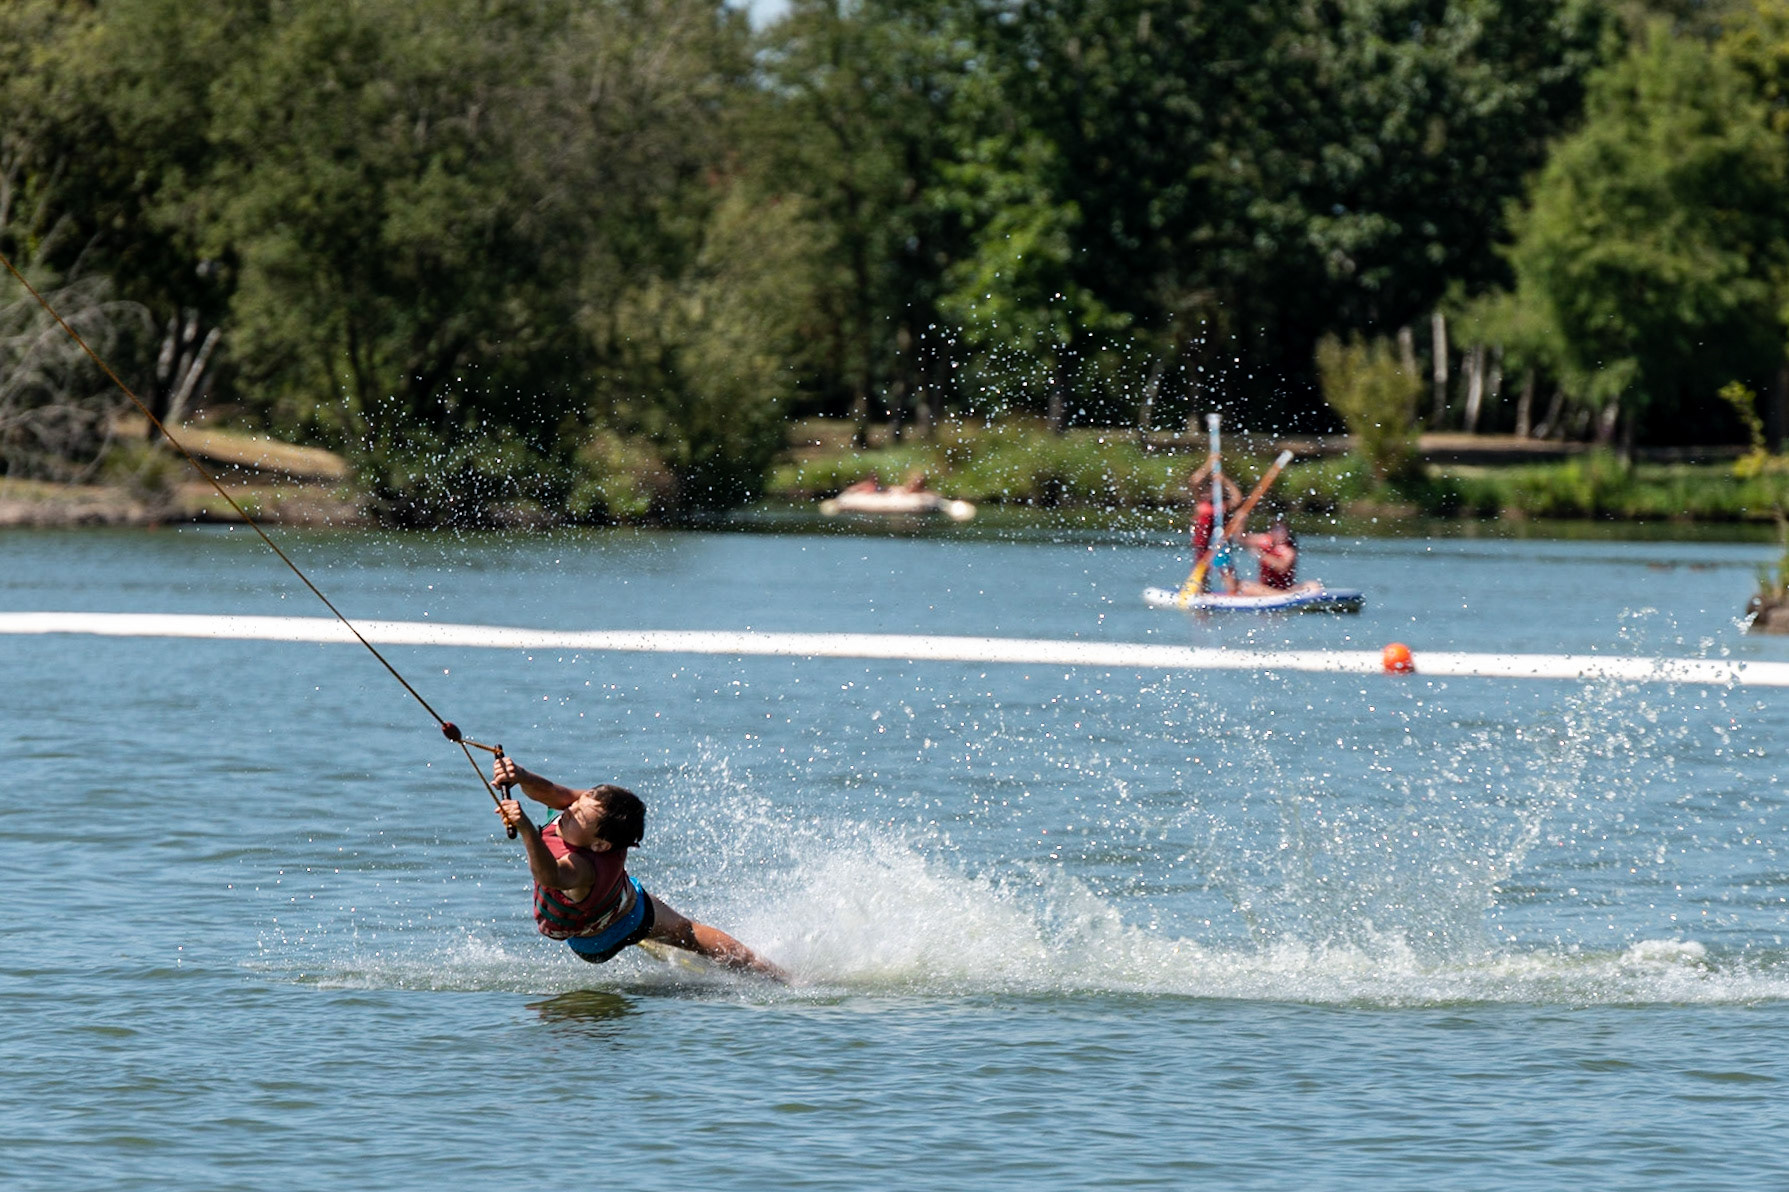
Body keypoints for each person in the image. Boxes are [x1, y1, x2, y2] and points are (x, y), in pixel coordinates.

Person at [492, 756, 788, 981]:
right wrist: (520, 775)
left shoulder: (581, 866)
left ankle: (774, 977)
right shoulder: (592, 819)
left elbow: (550, 876)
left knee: (687, 931)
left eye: (580, 814)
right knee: (680, 930)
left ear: (599, 845)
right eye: (576, 805)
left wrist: (527, 828)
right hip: (623, 900)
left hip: (600, 937)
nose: (569, 810)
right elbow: (551, 793)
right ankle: (654, 937)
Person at [1236, 518, 1321, 597]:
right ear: (1271, 531)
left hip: (1285, 589)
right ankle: (1280, 595)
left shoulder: (1288, 550)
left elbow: (1282, 567)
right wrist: (1240, 520)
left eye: (1282, 531)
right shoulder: (1265, 541)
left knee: (1314, 586)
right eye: (1277, 530)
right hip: (1266, 588)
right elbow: (1241, 539)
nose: (1280, 534)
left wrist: (1261, 555)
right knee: (1244, 586)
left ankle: (1282, 595)